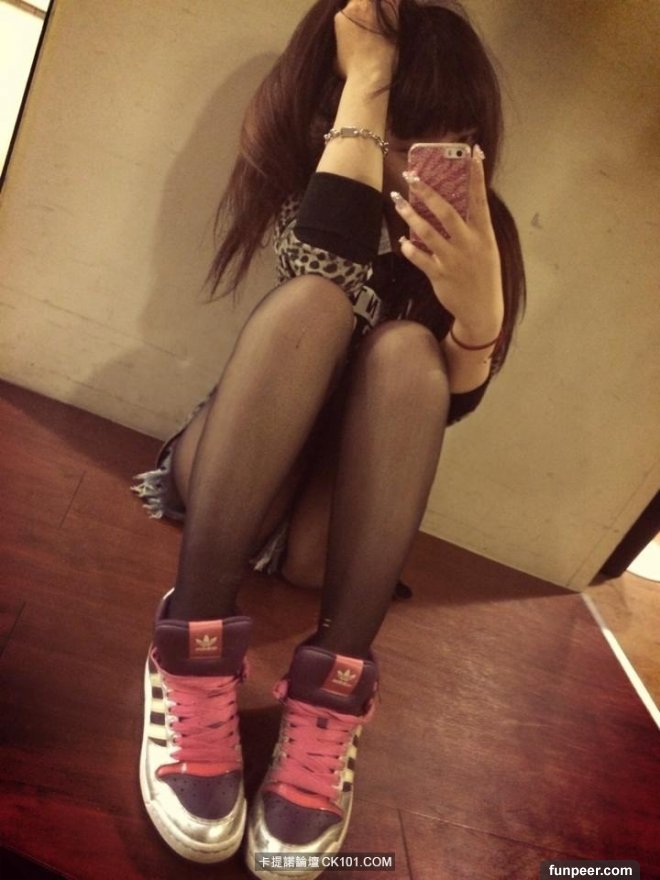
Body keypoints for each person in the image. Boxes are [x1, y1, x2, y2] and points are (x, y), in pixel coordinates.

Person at [132, 0, 525, 877]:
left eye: (451, 136)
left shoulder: (476, 238)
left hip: (330, 520)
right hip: (236, 470)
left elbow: (436, 413)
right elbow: (321, 269)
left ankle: (334, 695)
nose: (418, 159)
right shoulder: (314, 176)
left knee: (412, 358)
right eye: (401, 130)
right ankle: (189, 649)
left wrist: (479, 321)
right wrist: (369, 78)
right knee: (314, 302)